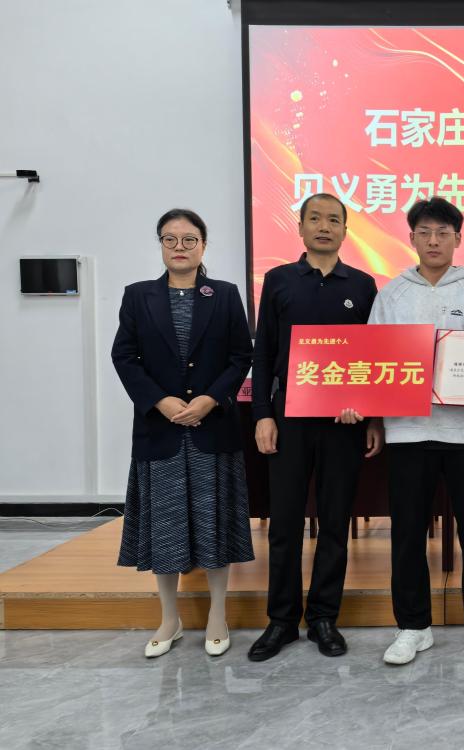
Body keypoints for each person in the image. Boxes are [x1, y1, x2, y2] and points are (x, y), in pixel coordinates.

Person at [369, 196, 464, 666]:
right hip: (408, 433)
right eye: (425, 232)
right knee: (408, 535)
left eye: (443, 233)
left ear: (457, 238)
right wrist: (372, 417)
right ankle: (413, 627)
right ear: (411, 238)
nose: (434, 241)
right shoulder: (392, 294)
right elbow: (373, 358)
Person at [112, 208, 254, 658]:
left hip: (213, 428)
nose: (179, 247)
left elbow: (241, 355)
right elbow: (124, 356)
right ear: (160, 244)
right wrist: (161, 401)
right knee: (167, 527)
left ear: (203, 245)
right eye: (170, 239)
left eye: (189, 239)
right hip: (161, 429)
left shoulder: (224, 294)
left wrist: (211, 399)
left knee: (214, 526)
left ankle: (217, 614)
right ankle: (169, 619)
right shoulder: (138, 296)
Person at [248, 193, 381, 662]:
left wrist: (372, 415)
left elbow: (375, 357)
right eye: (316, 218)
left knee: (335, 521)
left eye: (334, 220)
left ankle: (324, 616)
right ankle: (281, 620)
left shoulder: (363, 285)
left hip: (344, 423)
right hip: (289, 419)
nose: (324, 227)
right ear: (301, 227)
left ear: (345, 230)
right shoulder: (280, 280)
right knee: (284, 524)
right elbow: (263, 352)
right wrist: (263, 414)